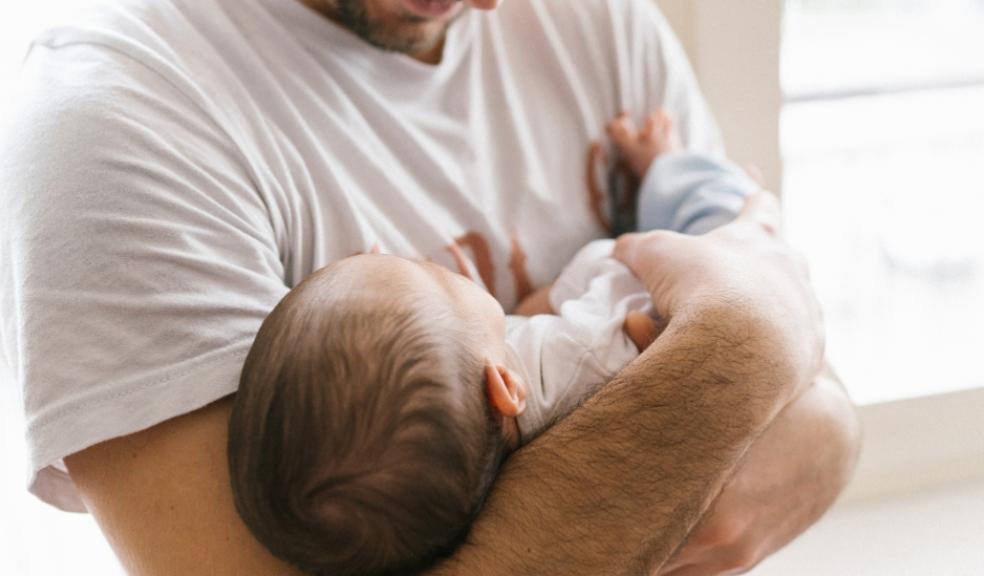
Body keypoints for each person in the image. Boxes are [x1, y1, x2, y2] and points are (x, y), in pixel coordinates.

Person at [0, 1, 860, 574]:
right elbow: (764, 308)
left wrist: (808, 421)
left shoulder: (595, 17)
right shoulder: (120, 115)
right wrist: (751, 343)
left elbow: (819, 418)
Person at [226, 107, 758, 576]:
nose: (431, 264)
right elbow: (648, 329)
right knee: (708, 209)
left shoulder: (466, 448)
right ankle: (678, 169)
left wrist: (539, 307)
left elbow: (526, 324)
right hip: (690, 271)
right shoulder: (588, 359)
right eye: (434, 279)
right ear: (503, 384)